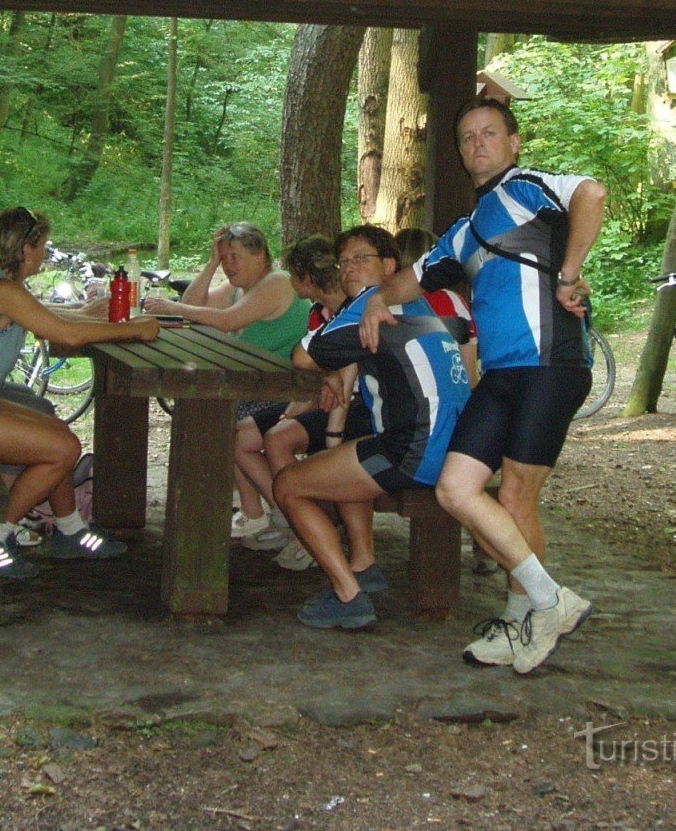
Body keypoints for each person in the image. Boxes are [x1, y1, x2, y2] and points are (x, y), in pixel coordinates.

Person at [361, 99, 606, 673]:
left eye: (489, 133)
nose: (478, 144)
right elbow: (409, 280)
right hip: (499, 375)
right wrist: (374, 300)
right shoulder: (465, 234)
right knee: (456, 489)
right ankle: (548, 603)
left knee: (517, 494)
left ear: (514, 142)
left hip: (551, 364)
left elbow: (590, 195)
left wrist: (569, 273)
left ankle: (528, 620)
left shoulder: (530, 186)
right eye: (467, 136)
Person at [0, 205, 159, 580]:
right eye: (42, 246)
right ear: (25, 250)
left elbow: (49, 317)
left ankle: (70, 530)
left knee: (59, 435)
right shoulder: (1, 290)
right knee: (62, 450)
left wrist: (99, 316)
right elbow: (66, 335)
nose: (45, 253)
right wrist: (134, 330)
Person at [271, 226, 473, 631]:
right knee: (345, 461)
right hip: (456, 446)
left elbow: (301, 357)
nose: (349, 269)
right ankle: (363, 566)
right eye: (343, 262)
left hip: (417, 450)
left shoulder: (370, 306)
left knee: (288, 485)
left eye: (361, 259)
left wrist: (329, 359)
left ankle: (348, 595)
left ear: (390, 266)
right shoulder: (416, 304)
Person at [142, 221, 310, 538]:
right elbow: (193, 307)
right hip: (251, 385)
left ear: (260, 256)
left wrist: (171, 306)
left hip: (286, 391)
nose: (230, 265)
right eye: (226, 257)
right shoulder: (238, 289)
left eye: (236, 257)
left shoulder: (277, 282)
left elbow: (226, 320)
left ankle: (287, 514)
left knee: (217, 425)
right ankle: (253, 513)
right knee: (211, 419)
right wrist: (211, 264)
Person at [231, 235, 355, 566]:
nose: (289, 282)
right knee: (241, 437)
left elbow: (331, 366)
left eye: (294, 275)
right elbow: (315, 371)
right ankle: (296, 516)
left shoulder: (352, 308)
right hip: (319, 399)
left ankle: (307, 534)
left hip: (354, 405)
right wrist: (295, 408)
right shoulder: (316, 313)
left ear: (308, 278)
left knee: (278, 438)